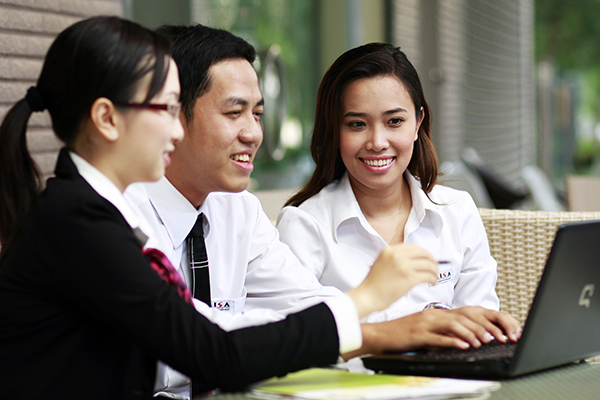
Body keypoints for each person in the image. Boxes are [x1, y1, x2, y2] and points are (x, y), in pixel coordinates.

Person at [0, 17, 440, 399]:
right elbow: (211, 350)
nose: (175, 131)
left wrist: (397, 328)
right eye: (166, 109)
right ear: (107, 119)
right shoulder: (82, 220)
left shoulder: (96, 210)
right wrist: (365, 299)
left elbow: (259, 323)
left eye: (258, 114)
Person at [126, 25, 521, 398]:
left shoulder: (238, 211)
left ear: (418, 121)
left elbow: (305, 308)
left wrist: (416, 328)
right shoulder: (119, 220)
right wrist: (375, 306)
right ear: (170, 116)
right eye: (234, 113)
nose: (254, 134)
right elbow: (209, 341)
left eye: (257, 114)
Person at [277, 42, 501, 323]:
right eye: (357, 124)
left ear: (417, 123)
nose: (377, 142)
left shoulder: (457, 211)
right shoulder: (304, 226)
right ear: (334, 130)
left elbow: (480, 324)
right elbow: (297, 336)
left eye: (394, 121)